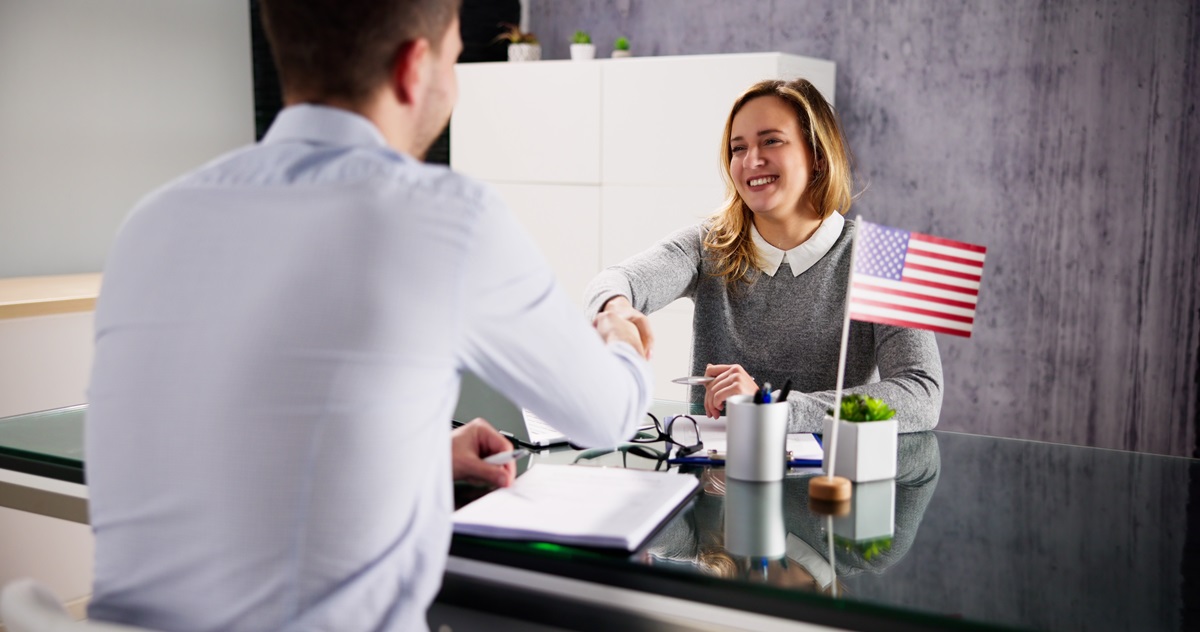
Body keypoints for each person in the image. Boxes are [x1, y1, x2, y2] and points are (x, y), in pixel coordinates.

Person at [84, 1, 653, 630]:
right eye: (457, 57)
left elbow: (223, 423)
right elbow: (608, 416)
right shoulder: (443, 218)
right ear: (414, 67)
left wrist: (420, 452)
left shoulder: (152, 222)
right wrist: (618, 335)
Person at [585, 78, 941, 433]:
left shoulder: (883, 257)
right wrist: (614, 311)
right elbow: (617, 280)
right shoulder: (708, 245)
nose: (751, 160)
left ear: (817, 156)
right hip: (717, 479)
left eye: (771, 141)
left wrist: (772, 408)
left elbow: (920, 393)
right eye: (738, 148)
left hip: (830, 483)